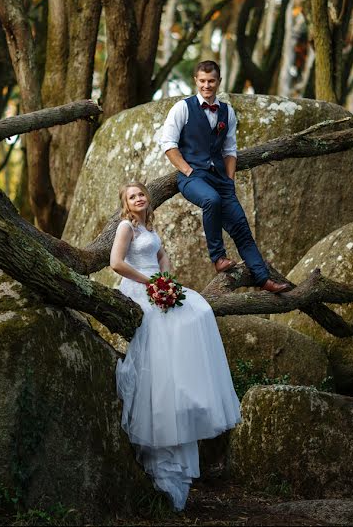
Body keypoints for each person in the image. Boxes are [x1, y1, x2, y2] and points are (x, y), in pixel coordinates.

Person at [111, 181, 241, 512]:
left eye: (141, 194)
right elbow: (116, 263)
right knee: (161, 343)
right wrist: (151, 283)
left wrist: (167, 281)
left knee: (198, 310)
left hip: (158, 287)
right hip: (138, 288)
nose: (138, 198)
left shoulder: (150, 227)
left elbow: (163, 256)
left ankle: (189, 395)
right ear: (126, 203)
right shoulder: (126, 226)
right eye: (132, 196)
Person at [159, 59, 291, 293]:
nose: (206, 85)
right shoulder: (182, 108)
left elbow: (230, 150)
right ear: (195, 81)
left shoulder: (227, 111)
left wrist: (229, 181)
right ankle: (218, 258)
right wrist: (188, 170)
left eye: (211, 81)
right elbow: (168, 145)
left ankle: (264, 280)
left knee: (241, 228)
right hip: (191, 177)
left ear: (218, 82)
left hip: (221, 179)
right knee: (211, 200)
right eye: (202, 81)